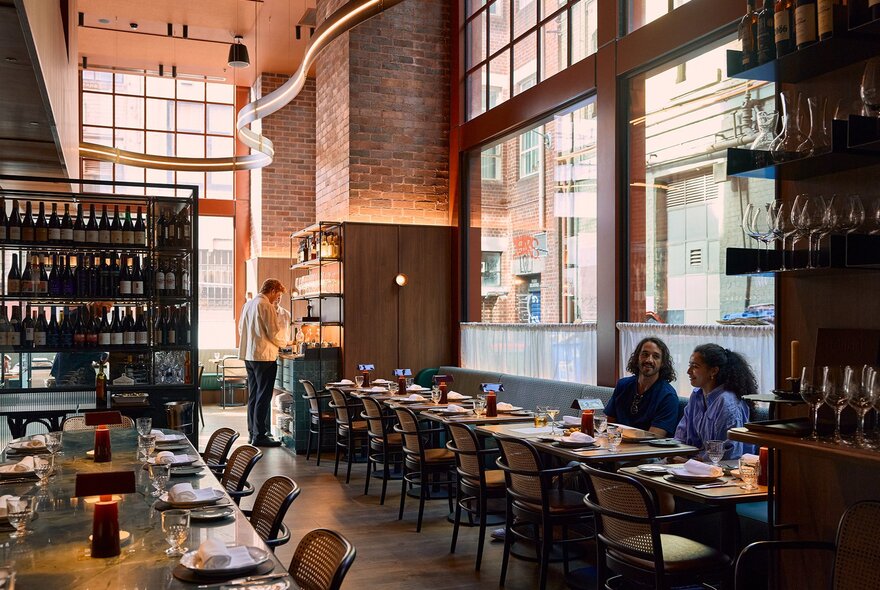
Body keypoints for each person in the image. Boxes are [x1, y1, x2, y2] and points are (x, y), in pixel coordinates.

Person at [674, 343, 757, 461]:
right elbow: (681, 435)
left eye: (695, 366)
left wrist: (690, 462)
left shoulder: (727, 403)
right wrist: (673, 454)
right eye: (690, 365)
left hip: (723, 468)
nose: (688, 371)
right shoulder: (696, 395)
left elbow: (728, 455)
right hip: (692, 462)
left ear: (713, 371)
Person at [238, 279, 290, 447]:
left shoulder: (248, 305)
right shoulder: (265, 305)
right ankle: (260, 435)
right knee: (264, 396)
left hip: (249, 356)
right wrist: (285, 343)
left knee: (254, 395)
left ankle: (252, 433)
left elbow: (241, 329)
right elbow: (273, 333)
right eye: (278, 294)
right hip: (264, 357)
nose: (277, 298)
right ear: (273, 290)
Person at [604, 337, 680, 437]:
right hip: (615, 443)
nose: (649, 360)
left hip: (645, 446)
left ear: (662, 363)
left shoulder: (668, 396)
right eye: (645, 354)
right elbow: (609, 424)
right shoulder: (622, 385)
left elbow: (653, 437)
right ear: (637, 358)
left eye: (656, 356)